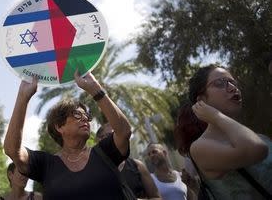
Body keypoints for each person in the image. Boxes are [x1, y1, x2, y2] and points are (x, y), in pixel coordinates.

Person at [4, 71, 132, 200]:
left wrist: (95, 88)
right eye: (77, 114)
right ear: (59, 127)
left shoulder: (105, 152)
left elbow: (124, 131)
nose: (85, 119)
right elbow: (12, 150)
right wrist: (23, 97)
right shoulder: (45, 165)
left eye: (86, 116)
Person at [174, 65, 272, 199]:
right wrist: (215, 116)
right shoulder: (200, 147)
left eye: (233, 82)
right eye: (220, 83)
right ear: (202, 100)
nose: (233, 88)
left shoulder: (258, 136)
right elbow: (257, 149)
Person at [97, 123, 161, 200]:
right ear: (100, 140)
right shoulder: (95, 172)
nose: (117, 138)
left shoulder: (138, 166)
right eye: (110, 135)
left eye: (117, 134)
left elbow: (156, 197)